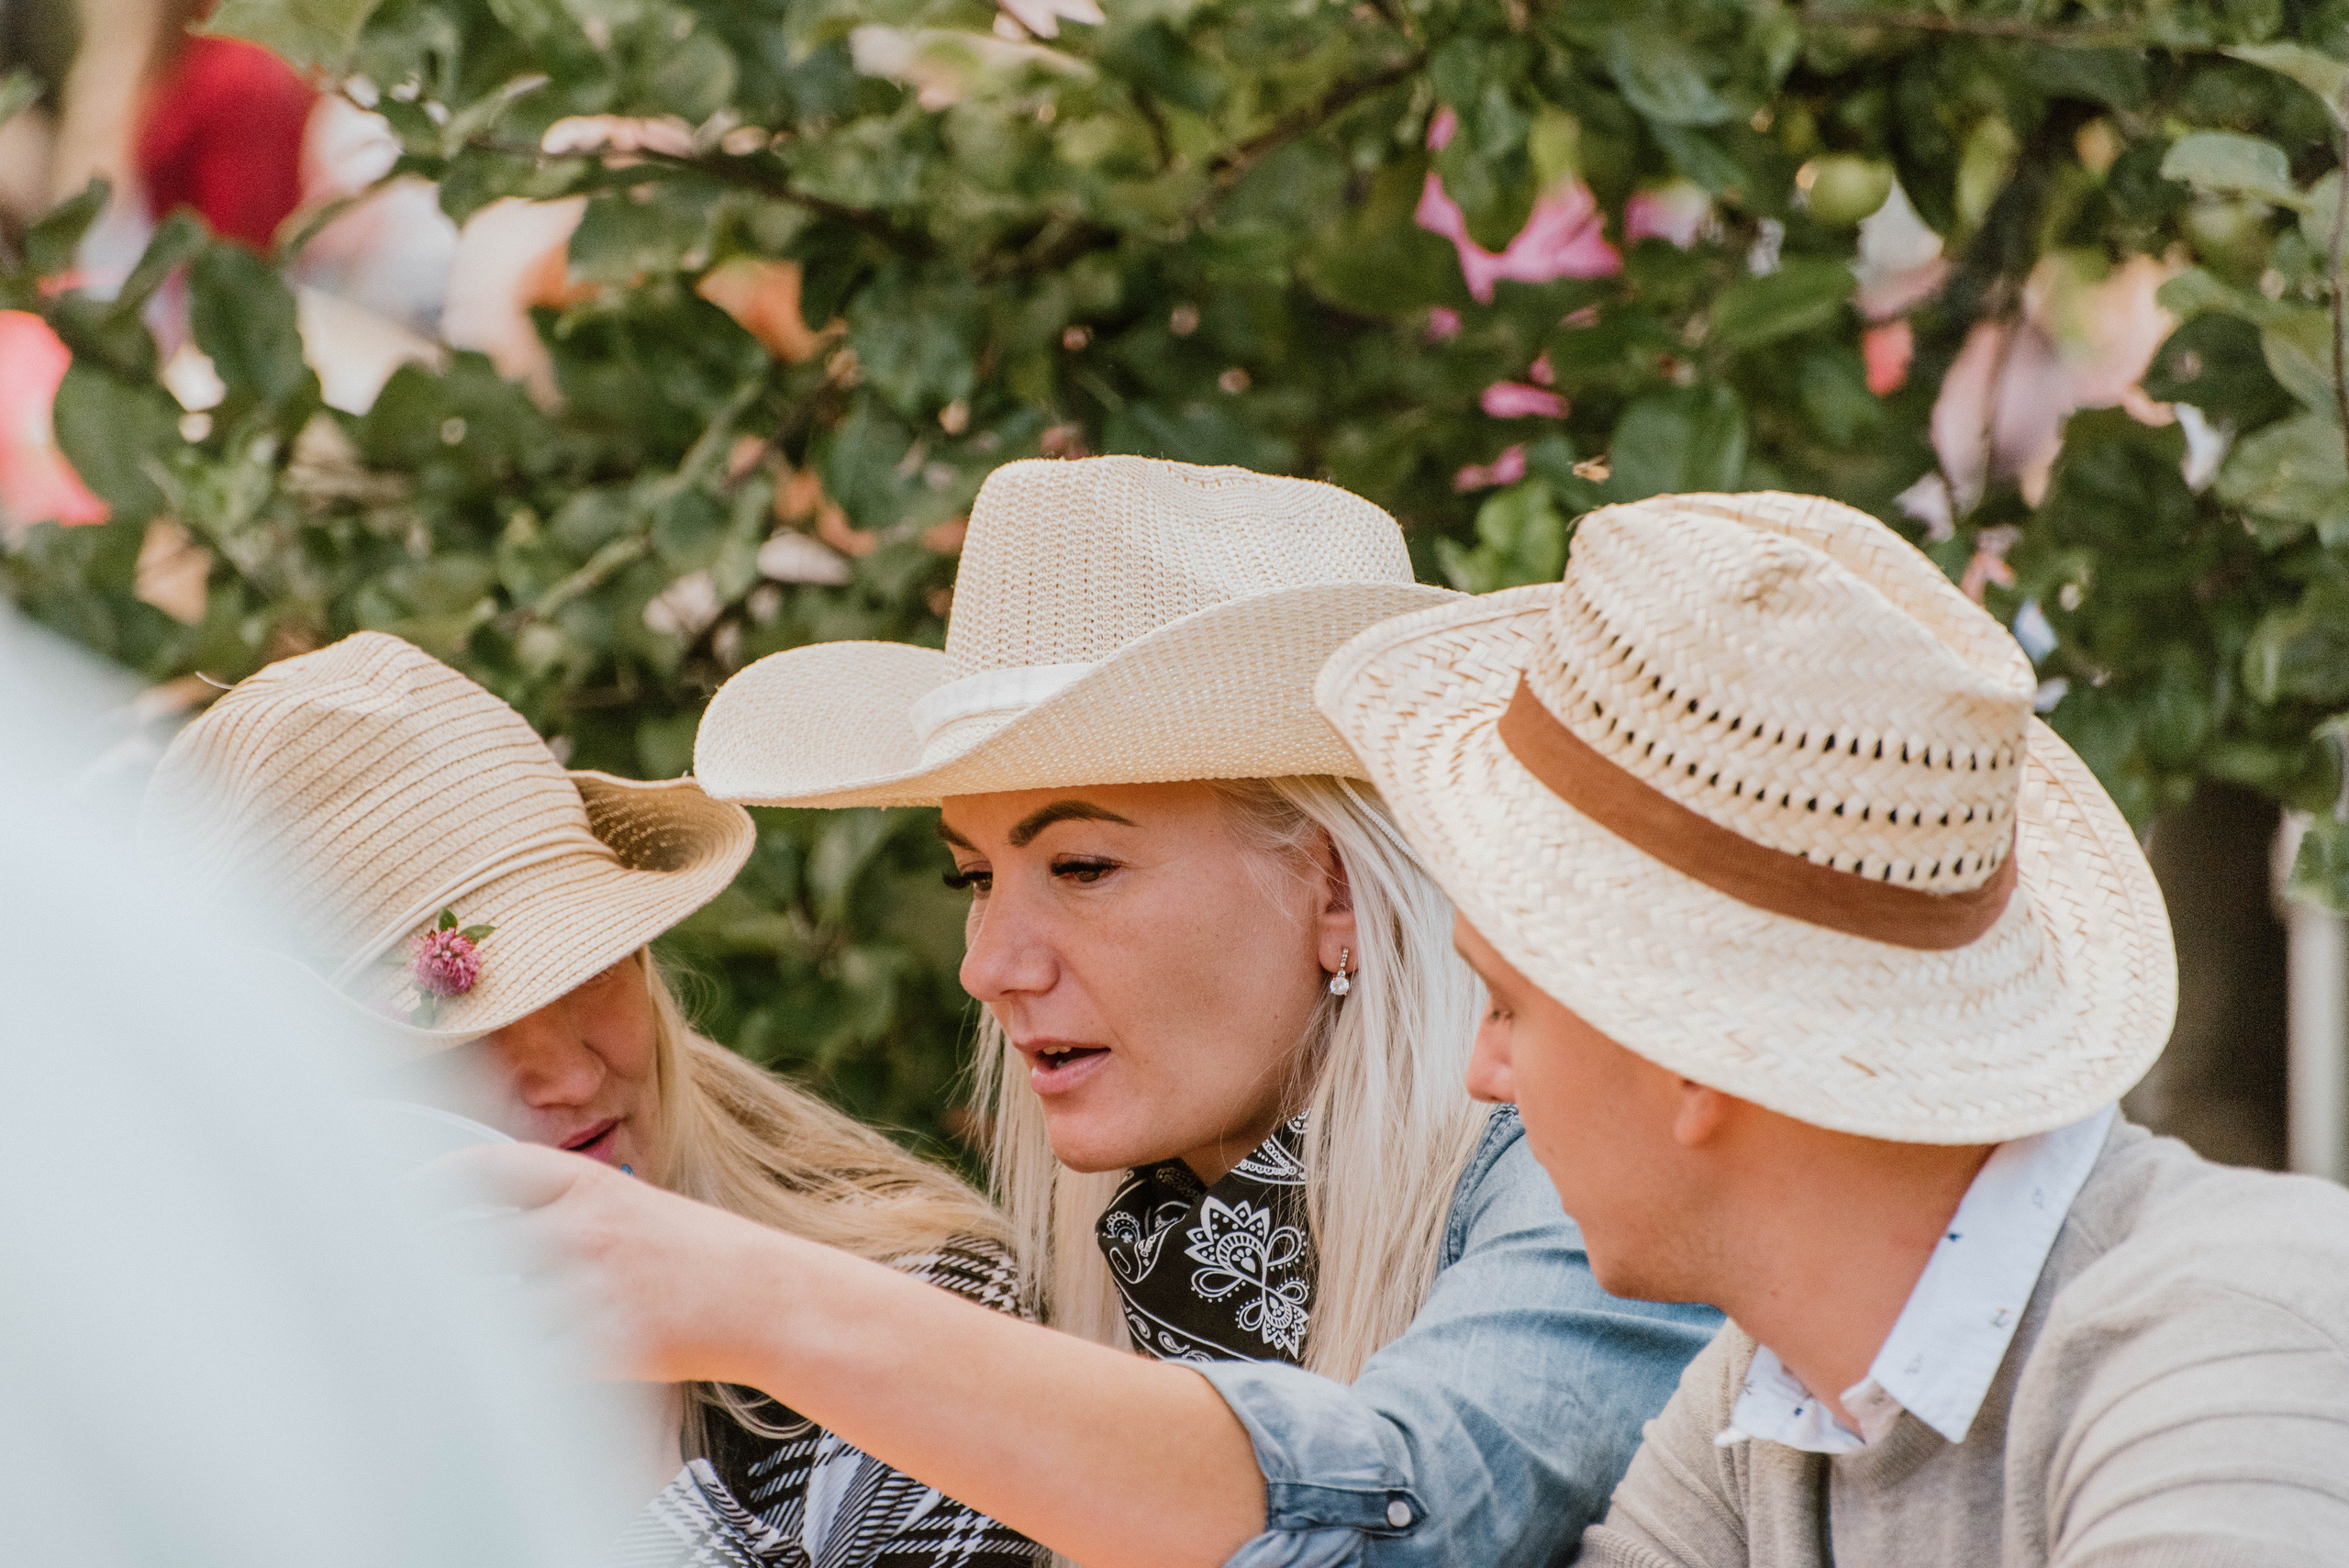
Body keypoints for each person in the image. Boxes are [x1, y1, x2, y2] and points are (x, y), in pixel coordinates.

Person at [440, 455, 1720, 1568]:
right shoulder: (1126, 1240)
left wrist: (756, 1304)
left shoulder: (1569, 1159)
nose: (991, 962)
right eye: (974, 876)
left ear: (1335, 886)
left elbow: (1414, 1520)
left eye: (1084, 868)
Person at [1313, 488, 2349, 1566]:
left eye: (1509, 1006)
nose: (1485, 1071)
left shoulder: (2232, 1336)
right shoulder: (1774, 1391)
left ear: (1687, 1049)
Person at [139, 631, 1041, 1568]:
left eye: (590, 970)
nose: (568, 1075)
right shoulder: (183, 1419)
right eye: (457, 1037)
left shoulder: (908, 1316)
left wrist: (625, 1466)